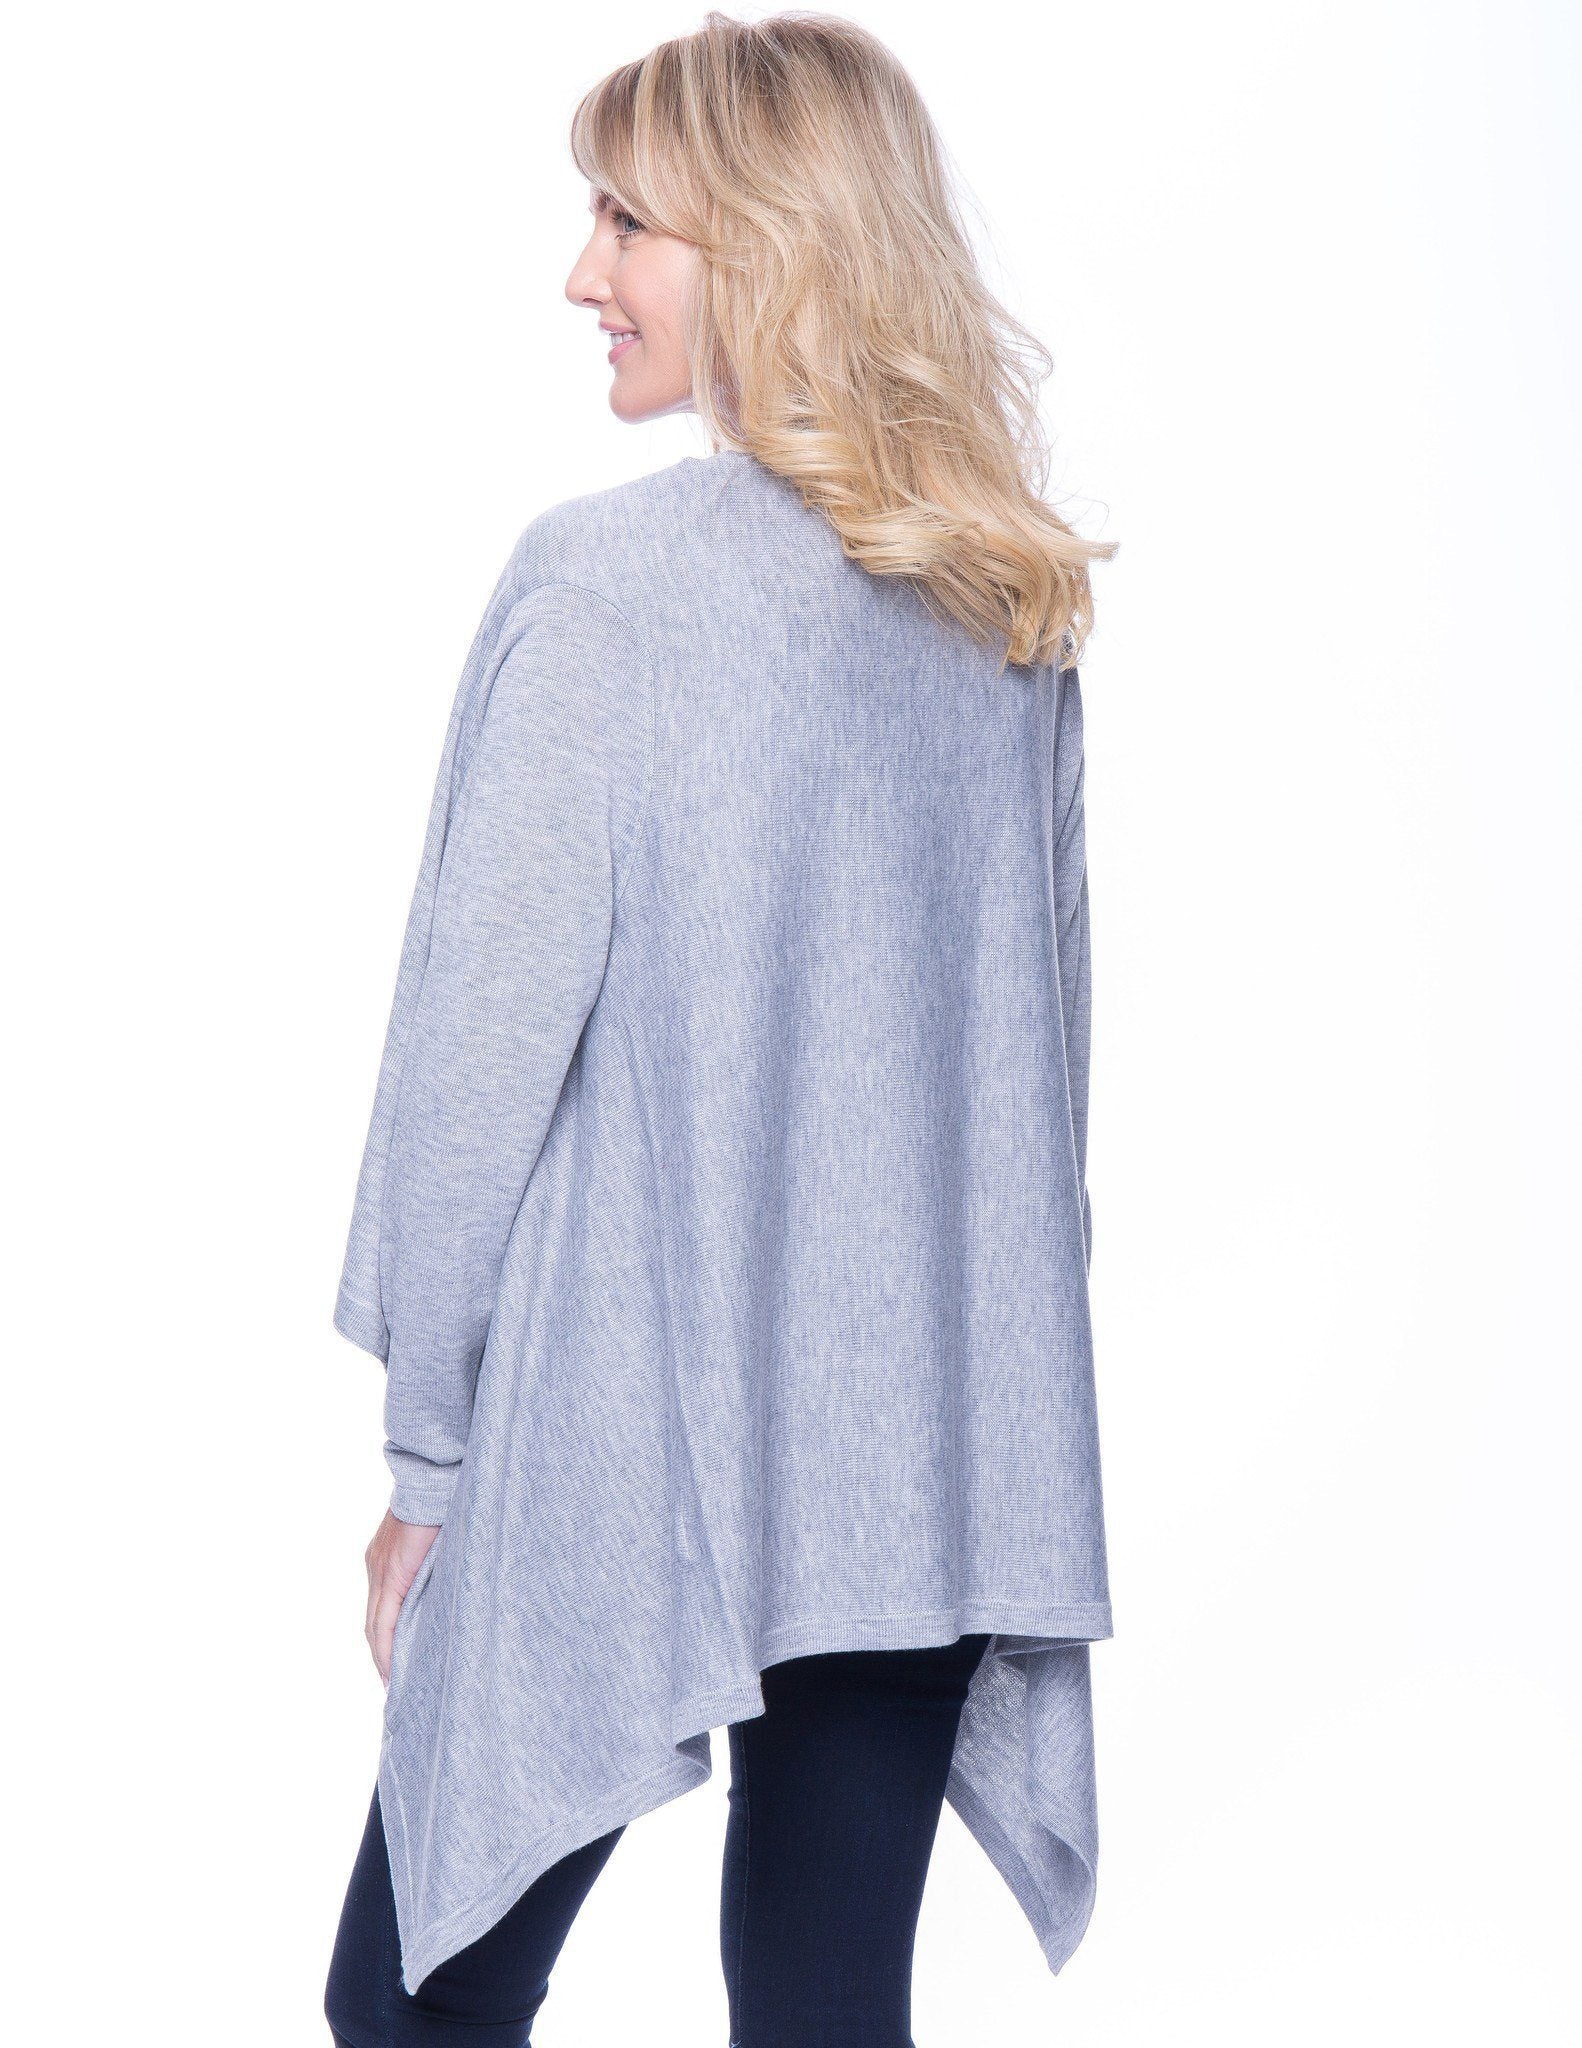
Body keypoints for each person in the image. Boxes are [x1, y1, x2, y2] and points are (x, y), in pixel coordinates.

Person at [322, 13, 1118, 2046]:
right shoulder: (1003, 602)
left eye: (624, 223)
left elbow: (471, 1067)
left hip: (635, 1420)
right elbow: (1041, 1095)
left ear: (765, 242)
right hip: (918, 1446)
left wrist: (429, 1457)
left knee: (409, 2005)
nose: (578, 274)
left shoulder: (604, 589)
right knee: (823, 2007)